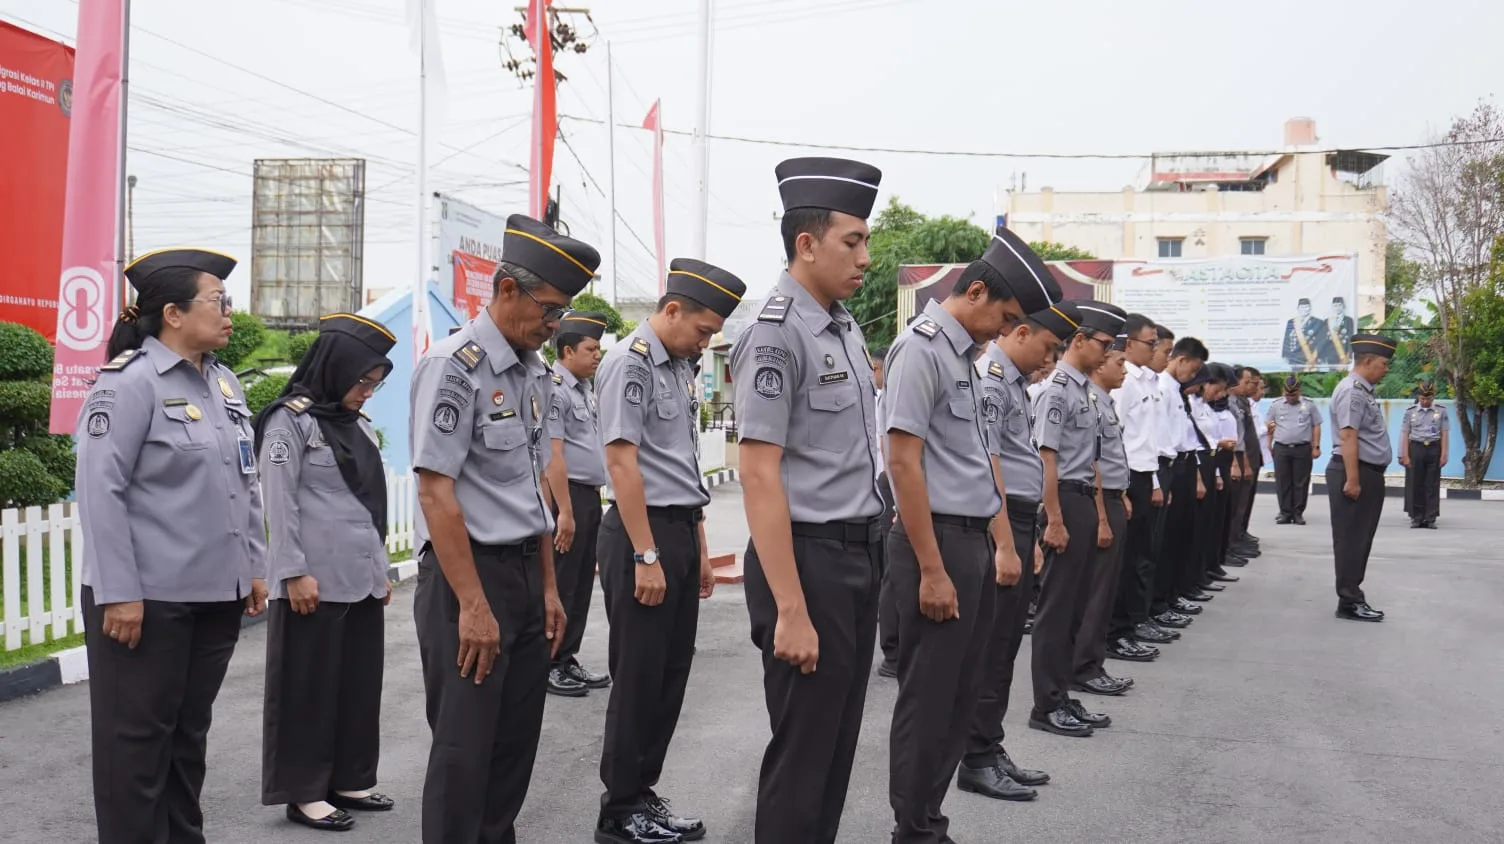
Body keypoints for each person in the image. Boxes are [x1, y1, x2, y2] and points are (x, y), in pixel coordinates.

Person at [410, 215, 597, 842]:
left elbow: (531, 488)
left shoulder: (533, 373)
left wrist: (548, 589)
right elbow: (436, 494)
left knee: (515, 743)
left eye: (562, 312)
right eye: (548, 310)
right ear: (506, 290)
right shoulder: (453, 368)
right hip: (471, 577)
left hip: (523, 573)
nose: (554, 325)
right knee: (465, 749)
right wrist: (472, 605)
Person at [75, 247, 268, 844]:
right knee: (134, 744)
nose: (229, 312)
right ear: (173, 313)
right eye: (218, 300)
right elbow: (100, 492)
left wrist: (255, 567)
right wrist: (121, 594)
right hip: (148, 599)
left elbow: (245, 480)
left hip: (215, 593)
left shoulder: (225, 382)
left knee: (189, 737)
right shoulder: (128, 384)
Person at [730, 155, 885, 844]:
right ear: (807, 243)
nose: (866, 257)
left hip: (857, 554)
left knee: (835, 748)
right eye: (853, 241)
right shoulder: (775, 331)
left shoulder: (843, 325)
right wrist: (790, 609)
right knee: (803, 751)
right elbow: (759, 473)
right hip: (808, 563)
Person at [883, 242, 1030, 843]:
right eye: (1005, 317)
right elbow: (903, 461)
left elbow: (972, 462)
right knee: (930, 697)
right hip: (935, 542)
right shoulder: (921, 349)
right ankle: (912, 829)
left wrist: (997, 543)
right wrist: (932, 568)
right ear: (975, 293)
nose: (1005, 331)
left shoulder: (964, 355)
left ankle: (929, 822)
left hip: (967, 540)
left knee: (960, 695)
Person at [596, 259, 747, 844]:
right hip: (643, 535)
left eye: (713, 334)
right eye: (702, 330)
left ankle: (642, 790)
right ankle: (619, 810)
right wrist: (647, 555)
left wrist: (700, 544)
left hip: (678, 529)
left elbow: (681, 465)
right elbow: (621, 463)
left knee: (669, 675)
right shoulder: (628, 365)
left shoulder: (678, 367)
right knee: (637, 677)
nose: (704, 341)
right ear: (672, 309)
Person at [254, 313, 397, 832]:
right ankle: (305, 791)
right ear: (335, 369)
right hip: (311, 580)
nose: (366, 393)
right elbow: (279, 500)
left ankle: (350, 777)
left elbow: (370, 506)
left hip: (358, 577)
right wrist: (291, 571)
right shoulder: (289, 421)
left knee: (358, 684)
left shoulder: (354, 424)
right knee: (307, 689)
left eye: (374, 385)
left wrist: (379, 570)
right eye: (362, 381)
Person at [958, 240, 1066, 804]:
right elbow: (992, 464)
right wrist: (1006, 540)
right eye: (1045, 348)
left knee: (1002, 650)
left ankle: (987, 745)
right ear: (1017, 333)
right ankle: (976, 756)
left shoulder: (1014, 383)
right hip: (1002, 524)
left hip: (1019, 523)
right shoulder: (994, 378)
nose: (1049, 361)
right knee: (993, 647)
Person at [1028, 301, 1125, 737]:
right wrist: (1053, 519)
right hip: (1063, 500)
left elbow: (1094, 460)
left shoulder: (1084, 389)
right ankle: (1046, 704)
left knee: (1075, 607)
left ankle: (1063, 693)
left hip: (1083, 498)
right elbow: (1047, 458)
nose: (1107, 353)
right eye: (1103, 344)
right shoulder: (1056, 389)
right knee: (1057, 608)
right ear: (1080, 340)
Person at [543, 310, 613, 697]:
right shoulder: (555, 388)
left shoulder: (583, 389)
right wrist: (564, 512)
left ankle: (567, 656)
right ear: (568, 351)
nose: (597, 355)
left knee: (582, 582)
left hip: (587, 497)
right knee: (563, 581)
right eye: (591, 348)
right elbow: (554, 455)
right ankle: (549, 662)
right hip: (565, 498)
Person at [1104, 314, 1174, 658]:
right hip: (1127, 477)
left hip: (1145, 475)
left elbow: (1150, 440)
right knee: (1127, 559)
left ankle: (1131, 623)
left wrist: (1156, 481)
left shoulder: (1147, 380)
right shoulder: (1125, 381)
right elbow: (1113, 438)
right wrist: (1119, 490)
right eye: (1151, 342)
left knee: (1142, 555)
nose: (1156, 348)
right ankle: (1118, 630)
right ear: (1129, 343)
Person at [1074, 333, 1138, 694]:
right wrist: (1101, 515)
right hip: (1098, 501)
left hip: (1112, 497)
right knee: (1095, 594)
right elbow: (1091, 462)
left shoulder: (1103, 401)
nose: (1124, 370)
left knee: (1105, 589)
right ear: (1101, 363)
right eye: (1119, 362)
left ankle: (1092, 662)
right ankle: (1084, 667)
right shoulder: (1092, 402)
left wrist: (1121, 494)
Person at [1326, 334, 1396, 622]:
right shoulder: (1353, 391)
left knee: (1360, 538)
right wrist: (1353, 480)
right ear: (1367, 361)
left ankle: (1352, 594)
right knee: (1352, 539)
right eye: (1383, 363)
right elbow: (1348, 435)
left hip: (1366, 472)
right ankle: (1349, 601)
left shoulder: (1363, 390)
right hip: (1355, 471)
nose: (1386, 368)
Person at [1151, 338, 1209, 630]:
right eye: (1193, 368)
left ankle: (1170, 597)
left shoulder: (1174, 389)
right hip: (1164, 467)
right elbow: (1157, 437)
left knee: (1176, 539)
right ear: (1182, 359)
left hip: (1181, 464)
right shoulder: (1161, 387)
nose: (1194, 375)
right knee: (1160, 544)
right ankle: (1158, 604)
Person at [1267, 376, 1321, 525]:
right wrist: (1268, 444)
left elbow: (1316, 425)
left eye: (1294, 394)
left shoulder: (1309, 405)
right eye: (1288, 394)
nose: (1291, 397)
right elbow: (1269, 426)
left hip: (1302, 448)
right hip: (1281, 448)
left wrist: (1316, 446)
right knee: (1283, 481)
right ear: (1283, 391)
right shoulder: (1276, 405)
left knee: (1301, 482)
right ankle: (1285, 512)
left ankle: (1298, 513)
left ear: (1299, 391)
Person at [1401, 381, 1449, 529]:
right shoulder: (1410, 412)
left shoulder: (1441, 412)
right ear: (1418, 397)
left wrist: (1444, 454)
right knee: (1415, 483)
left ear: (1433, 397)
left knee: (1432, 484)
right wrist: (1405, 455)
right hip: (1416, 448)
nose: (1425, 401)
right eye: (1422, 398)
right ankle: (1416, 517)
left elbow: (1444, 433)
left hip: (1434, 448)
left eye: (1428, 399)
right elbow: (1405, 433)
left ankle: (1430, 517)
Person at [1281, 298, 1324, 370]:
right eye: (1302, 307)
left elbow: (1322, 342)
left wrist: (1319, 357)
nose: (1304, 309)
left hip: (1311, 359)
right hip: (1295, 359)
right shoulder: (1291, 322)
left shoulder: (1318, 322)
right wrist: (1286, 355)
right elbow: (1287, 339)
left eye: (1306, 307)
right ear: (1298, 308)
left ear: (1310, 308)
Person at [1319, 296, 1356, 366]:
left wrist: (1350, 354)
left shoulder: (1349, 320)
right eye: (1335, 306)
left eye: (1340, 305)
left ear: (1343, 306)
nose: (1338, 307)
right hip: (1330, 354)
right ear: (1332, 307)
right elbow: (1322, 339)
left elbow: (1351, 338)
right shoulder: (1327, 321)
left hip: (1343, 353)